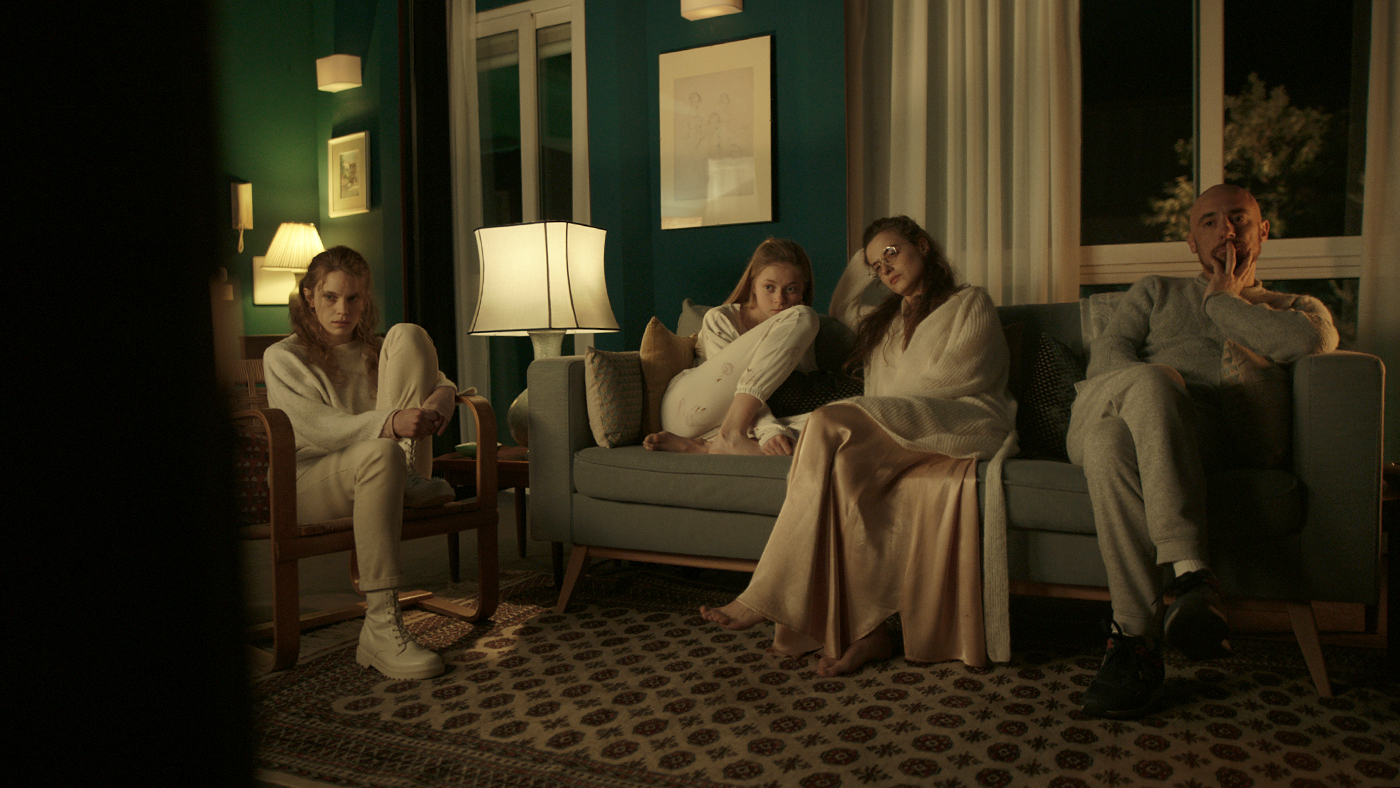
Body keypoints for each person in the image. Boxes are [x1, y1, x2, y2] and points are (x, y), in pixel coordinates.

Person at [699, 216, 1017, 676]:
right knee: (841, 470)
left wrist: (885, 405)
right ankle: (869, 632)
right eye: (875, 267)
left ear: (923, 245)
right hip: (900, 425)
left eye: (892, 253)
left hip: (965, 418)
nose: (885, 270)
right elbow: (856, 335)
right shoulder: (885, 322)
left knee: (828, 422)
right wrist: (865, 264)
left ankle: (765, 595)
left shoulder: (970, 302)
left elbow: (957, 378)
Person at [1070, 184, 1338, 718]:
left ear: (1263, 231)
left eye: (1239, 219)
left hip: (1196, 441)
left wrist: (1222, 301)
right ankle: (1193, 575)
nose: (1226, 230)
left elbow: (1309, 345)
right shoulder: (1154, 291)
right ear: (1192, 241)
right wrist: (1153, 392)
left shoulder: (1296, 308)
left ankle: (1134, 643)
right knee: (1150, 385)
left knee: (1109, 446)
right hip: (1111, 404)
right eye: (1210, 222)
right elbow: (1105, 363)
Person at [263, 246, 463, 680]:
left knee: (409, 334)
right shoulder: (283, 357)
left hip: (387, 466)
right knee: (380, 449)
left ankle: (407, 477)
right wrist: (390, 423)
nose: (343, 309)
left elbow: (434, 379)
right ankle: (382, 624)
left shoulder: (377, 350)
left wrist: (445, 393)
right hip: (308, 481)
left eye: (353, 298)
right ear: (309, 296)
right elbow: (318, 427)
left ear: (365, 298)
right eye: (331, 297)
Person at [644, 237, 821, 456]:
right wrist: (769, 430)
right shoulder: (721, 318)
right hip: (687, 406)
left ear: (803, 290)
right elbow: (733, 389)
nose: (780, 299)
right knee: (804, 316)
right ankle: (730, 436)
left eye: (791, 289)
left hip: (722, 427)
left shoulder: (800, 333)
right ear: (753, 286)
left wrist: (776, 432)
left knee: (835, 428)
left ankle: (706, 446)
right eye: (769, 287)